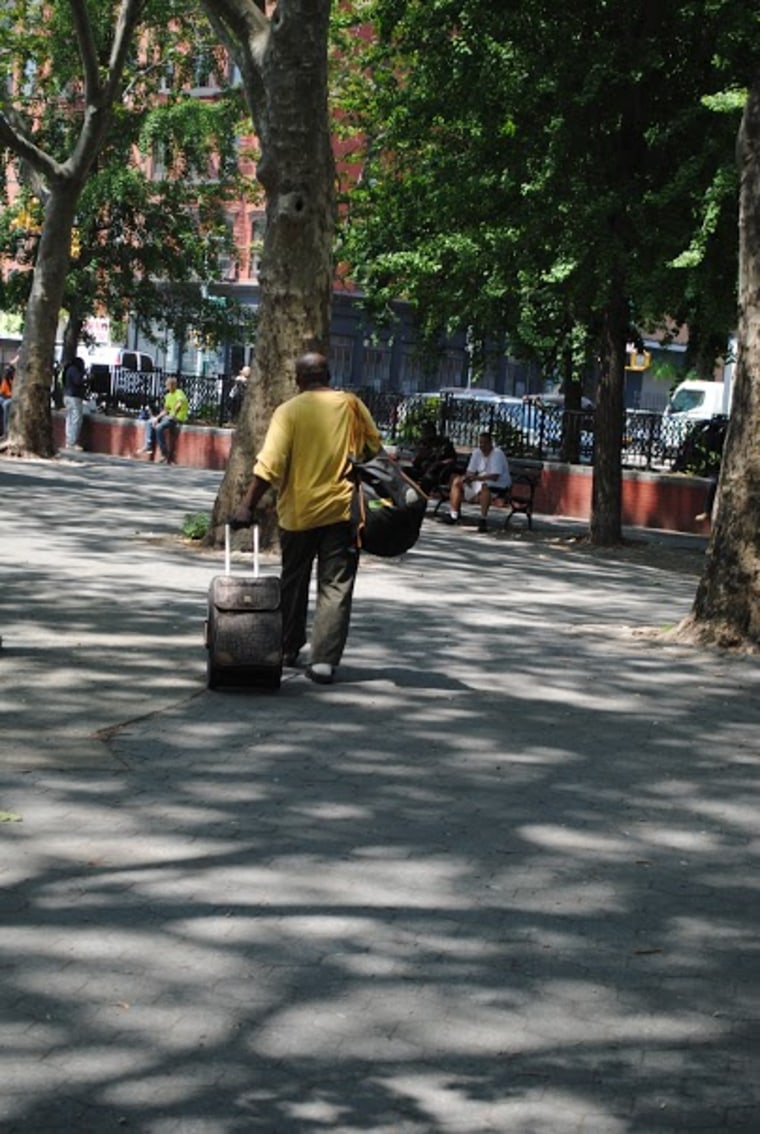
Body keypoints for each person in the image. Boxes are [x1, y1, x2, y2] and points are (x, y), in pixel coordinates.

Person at [231, 351, 382, 685]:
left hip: (298, 514)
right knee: (336, 585)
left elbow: (269, 465)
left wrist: (246, 506)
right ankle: (324, 661)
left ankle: (287, 648)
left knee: (293, 580)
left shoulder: (289, 411)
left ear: (298, 380)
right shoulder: (351, 405)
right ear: (328, 375)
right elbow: (373, 448)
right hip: (342, 511)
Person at [444, 430, 511, 532]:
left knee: (485, 486)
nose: (482, 446)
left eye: (484, 443)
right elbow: (470, 471)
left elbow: (495, 476)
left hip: (499, 484)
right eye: (480, 443)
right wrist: (467, 478)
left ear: (490, 443)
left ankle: (483, 519)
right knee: (457, 481)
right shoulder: (476, 453)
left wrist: (475, 479)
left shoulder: (497, 454)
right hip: (480, 481)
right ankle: (454, 515)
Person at [139, 375, 189, 463]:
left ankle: (164, 453)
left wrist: (174, 414)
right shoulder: (168, 396)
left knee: (159, 428)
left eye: (168, 385)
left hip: (177, 418)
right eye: (167, 386)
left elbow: (179, 404)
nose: (167, 388)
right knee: (149, 422)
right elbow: (165, 410)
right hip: (168, 417)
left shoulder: (179, 392)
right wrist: (157, 418)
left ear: (173, 385)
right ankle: (148, 445)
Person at [411, 419, 457, 494]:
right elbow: (415, 462)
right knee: (403, 472)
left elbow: (452, 459)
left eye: (427, 430)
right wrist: (419, 456)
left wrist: (439, 463)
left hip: (436, 472)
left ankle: (423, 498)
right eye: (424, 431)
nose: (425, 433)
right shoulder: (422, 443)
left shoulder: (444, 443)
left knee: (427, 478)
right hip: (422, 469)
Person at [62, 356, 87, 450]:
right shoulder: (75, 370)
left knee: (69, 419)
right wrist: (85, 377)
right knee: (76, 419)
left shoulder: (68, 369)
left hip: (67, 395)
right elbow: (78, 381)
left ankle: (68, 441)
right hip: (74, 397)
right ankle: (72, 442)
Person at [0, 363, 14, 435]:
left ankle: (6, 431)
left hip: (13, 399)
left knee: (6, 405)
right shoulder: (5, 380)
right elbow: (2, 392)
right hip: (5, 397)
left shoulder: (16, 380)